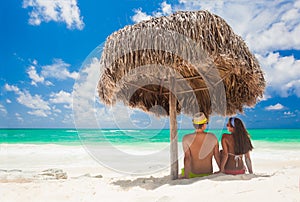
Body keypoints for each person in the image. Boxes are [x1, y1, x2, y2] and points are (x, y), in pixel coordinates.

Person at [181, 112, 221, 179]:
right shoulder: (213, 137)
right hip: (208, 173)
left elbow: (187, 158)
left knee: (182, 171)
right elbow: (217, 156)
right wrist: (221, 170)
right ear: (203, 126)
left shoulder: (186, 138)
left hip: (193, 174)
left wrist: (186, 176)